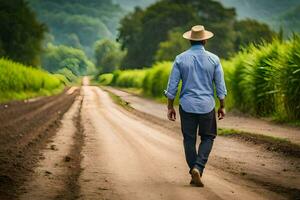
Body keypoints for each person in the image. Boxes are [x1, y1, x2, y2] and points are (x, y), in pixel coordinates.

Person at [164, 25, 227, 187]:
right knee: (208, 137)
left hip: (187, 105)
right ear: (205, 40)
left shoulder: (180, 59)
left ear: (190, 40)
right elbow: (220, 86)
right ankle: (198, 167)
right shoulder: (214, 59)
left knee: (189, 139)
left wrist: (170, 106)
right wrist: (222, 105)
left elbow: (172, 86)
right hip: (207, 105)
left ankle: (194, 169)